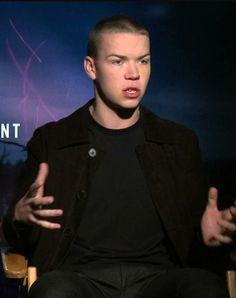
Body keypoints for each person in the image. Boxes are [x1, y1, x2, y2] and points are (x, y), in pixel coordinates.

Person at [2, 15, 235, 298]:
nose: (134, 73)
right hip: (79, 279)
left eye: (143, 60)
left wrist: (209, 239)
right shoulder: (52, 141)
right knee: (52, 292)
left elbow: (199, 243)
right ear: (91, 67)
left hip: (159, 279)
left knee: (205, 289)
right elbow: (20, 240)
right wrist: (18, 217)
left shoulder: (178, 142)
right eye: (118, 61)